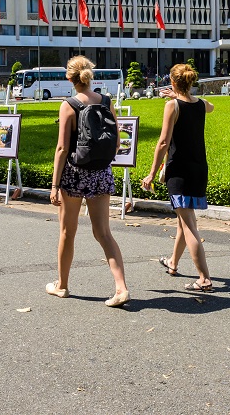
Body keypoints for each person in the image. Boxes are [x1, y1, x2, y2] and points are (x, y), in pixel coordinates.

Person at [48, 56, 130, 307]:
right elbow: (116, 141)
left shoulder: (68, 105)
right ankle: (121, 288)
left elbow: (62, 148)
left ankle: (62, 286)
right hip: (101, 173)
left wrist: (54, 185)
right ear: (90, 75)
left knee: (67, 232)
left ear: (69, 78)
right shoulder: (106, 101)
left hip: (74, 174)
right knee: (103, 233)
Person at [142, 63, 215, 292]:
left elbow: (163, 142)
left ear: (173, 83)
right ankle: (173, 263)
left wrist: (151, 173)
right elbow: (211, 106)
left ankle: (204, 278)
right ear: (191, 82)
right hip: (198, 169)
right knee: (183, 222)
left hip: (179, 171)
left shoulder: (172, 106)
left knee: (189, 225)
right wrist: (181, 94)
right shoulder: (202, 104)